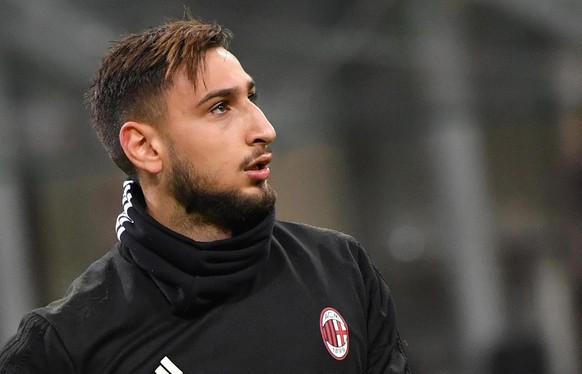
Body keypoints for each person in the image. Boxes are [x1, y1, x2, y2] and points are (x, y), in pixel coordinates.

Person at [0, 18, 410, 373]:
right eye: (219, 108)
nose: (264, 129)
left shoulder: (341, 270)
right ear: (144, 147)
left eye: (250, 98)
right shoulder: (67, 345)